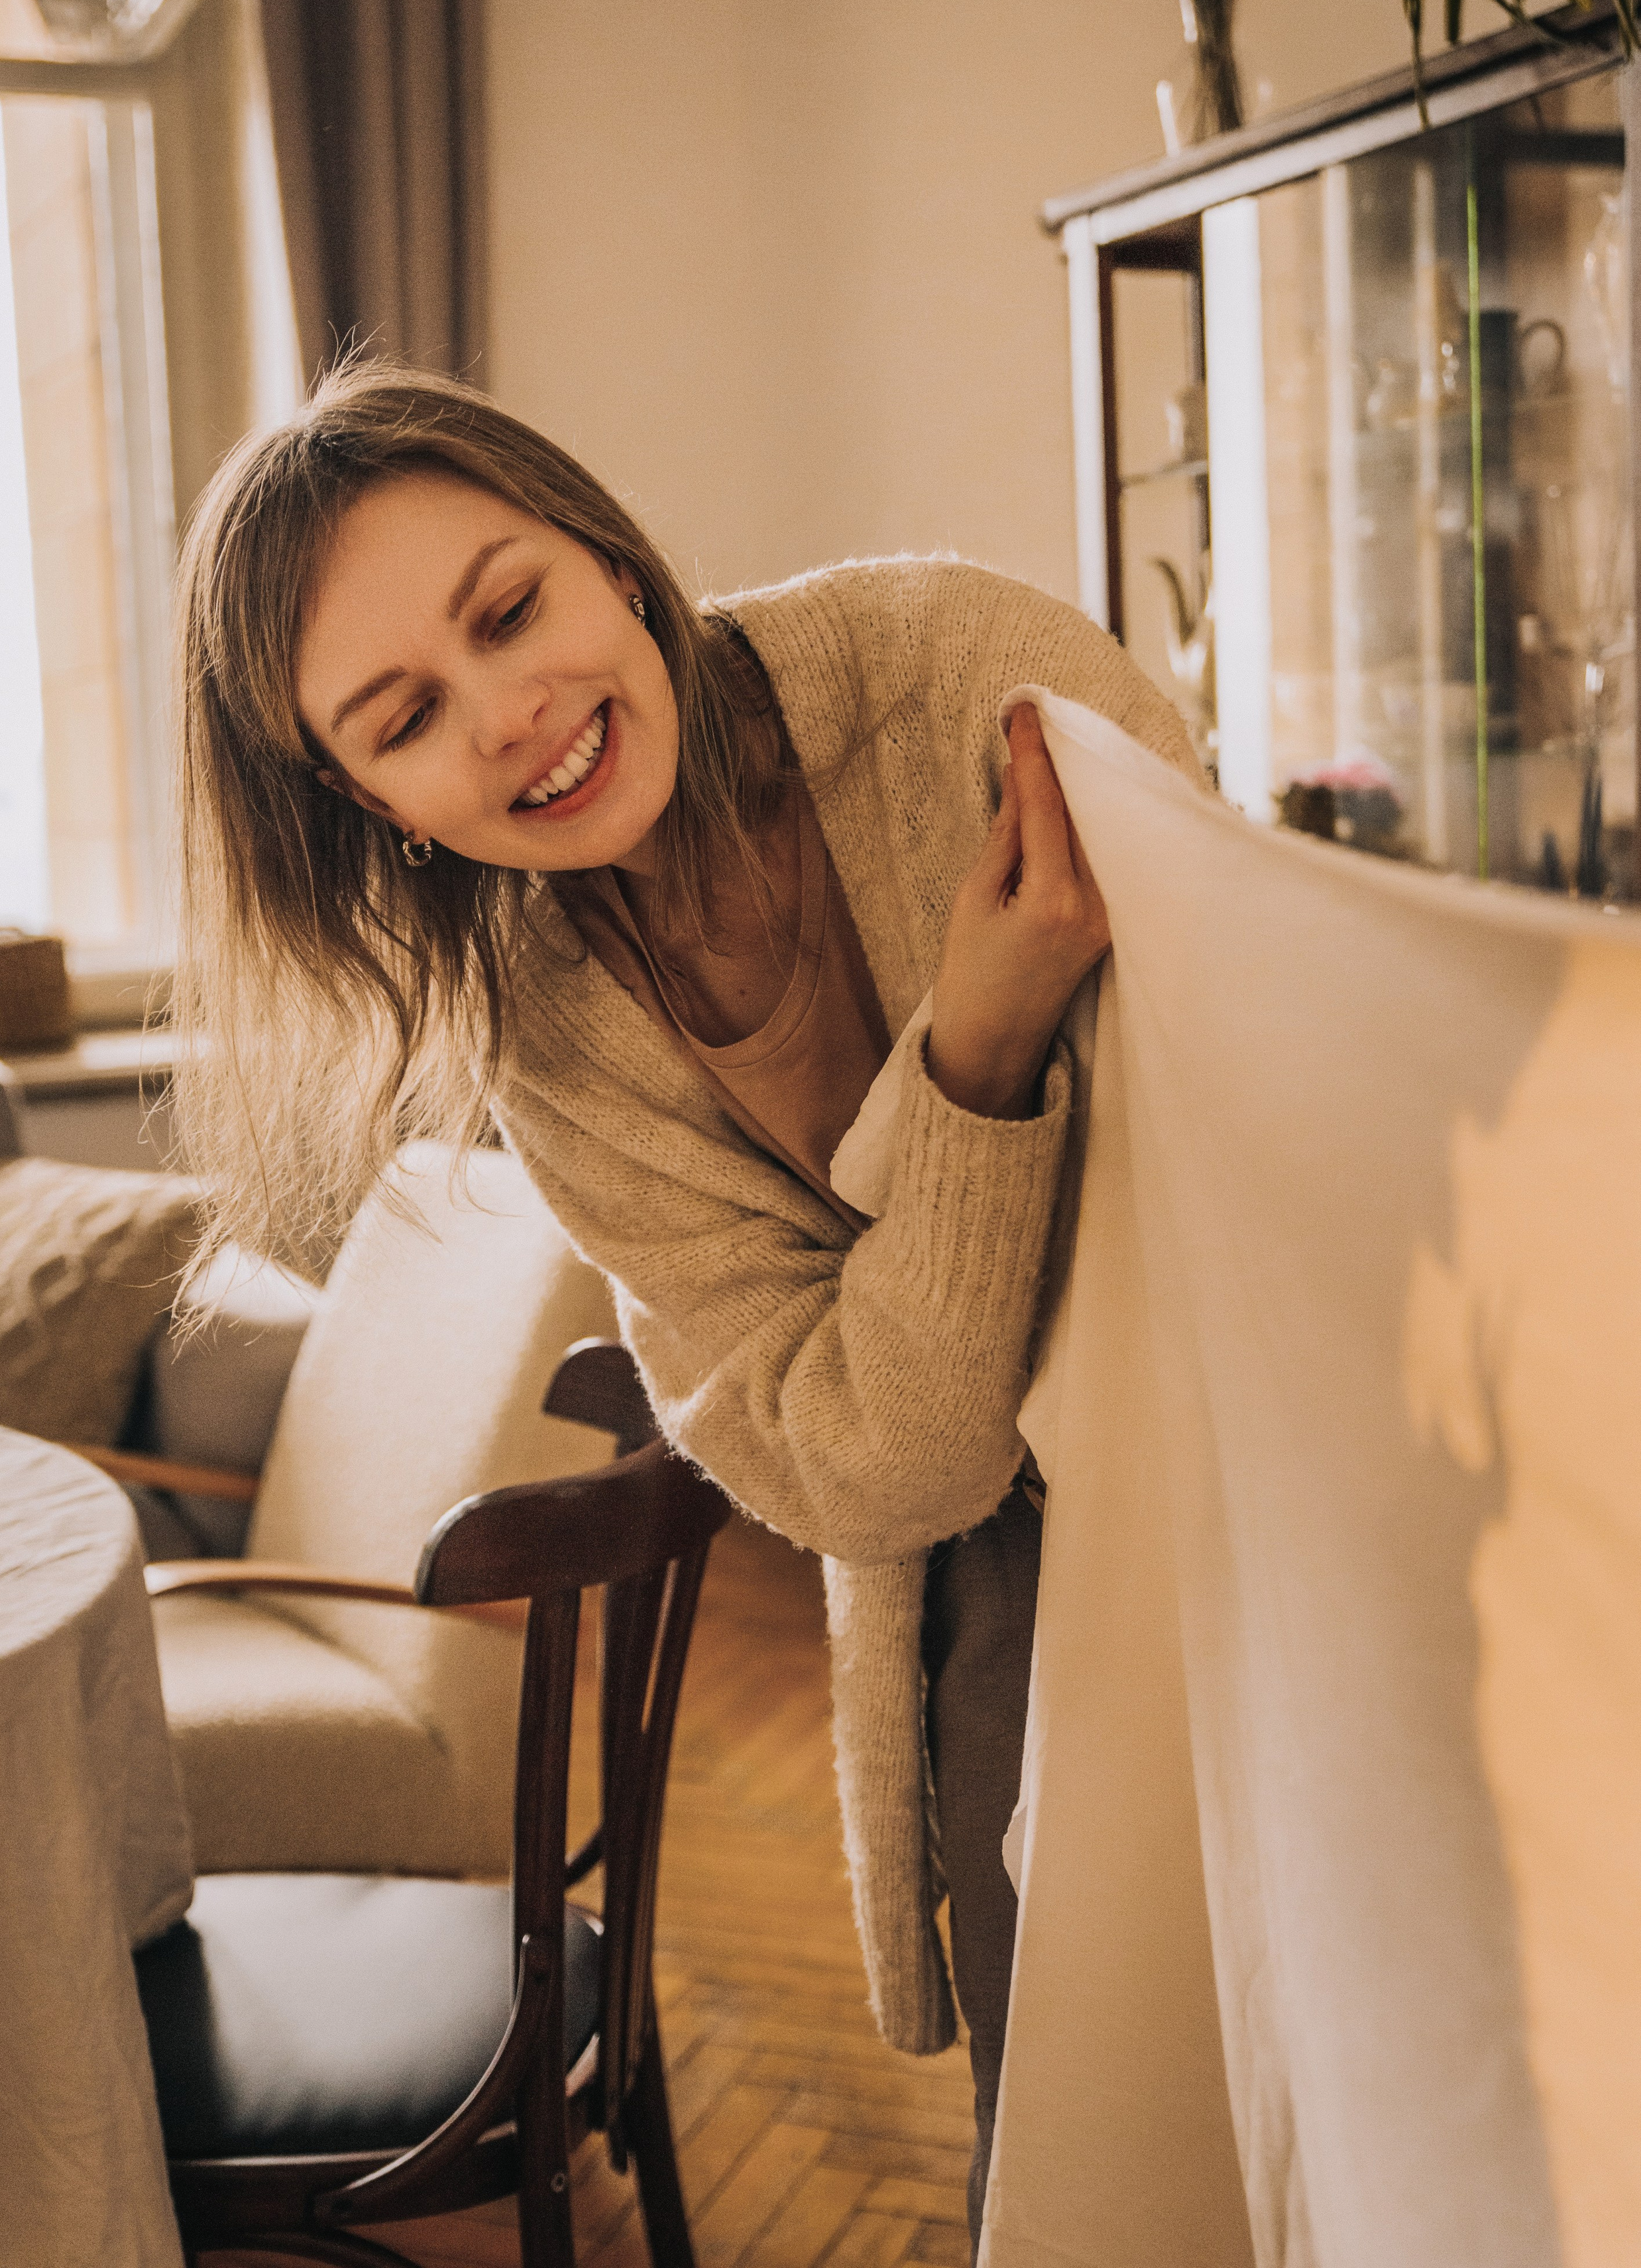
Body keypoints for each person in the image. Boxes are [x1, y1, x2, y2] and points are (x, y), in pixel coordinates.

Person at [172, 360, 1204, 2248]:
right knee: (1083, 2144)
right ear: (368, 802)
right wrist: (975, 1055)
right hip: (1001, 1556)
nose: (511, 716)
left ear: (609, 557)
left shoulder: (957, 671)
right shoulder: (549, 1048)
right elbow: (880, 1475)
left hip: (1268, 1476)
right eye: (409, 718)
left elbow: (1240, 1153)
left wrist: (906, 1286)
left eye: (510, 612)